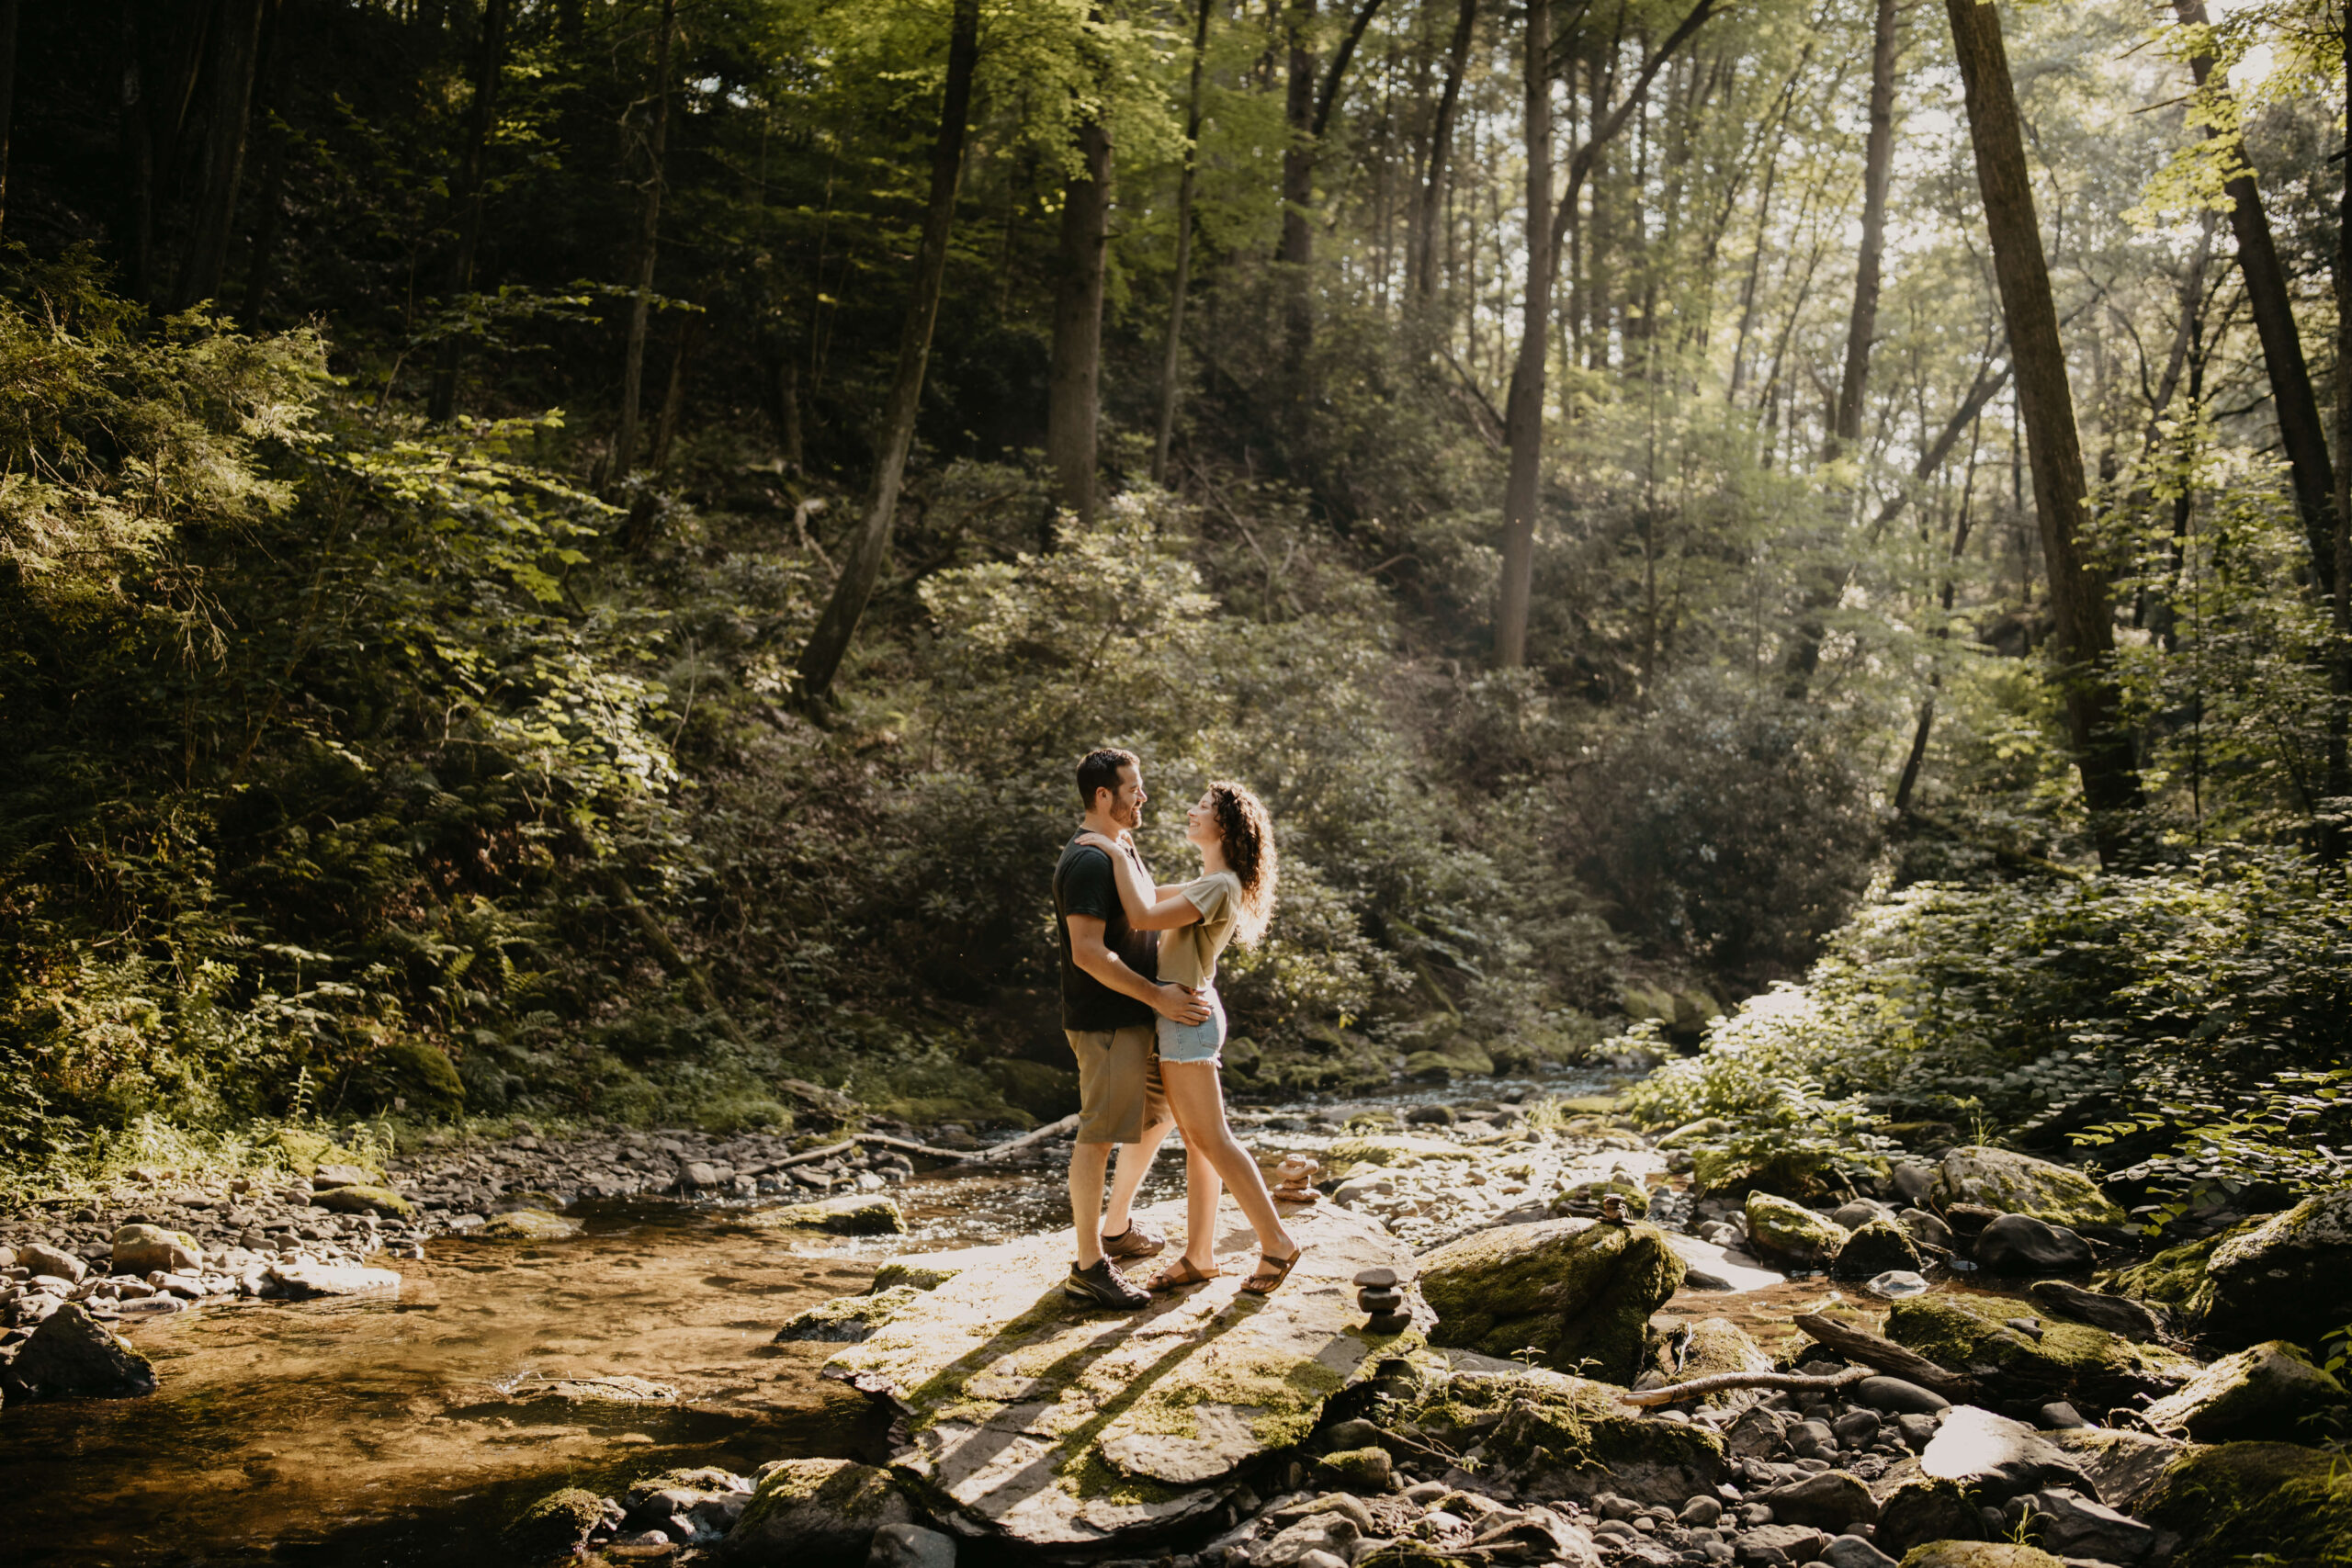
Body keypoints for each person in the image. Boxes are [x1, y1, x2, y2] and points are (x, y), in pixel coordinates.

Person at [1077, 779, 1303, 1296]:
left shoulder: (1218, 886)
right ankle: (1200, 1256)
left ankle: (1278, 1242)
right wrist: (1124, 853)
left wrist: (1110, 849)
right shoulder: (1210, 881)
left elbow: (1141, 916)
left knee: (1212, 1140)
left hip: (1186, 1021)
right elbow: (1149, 896)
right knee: (1200, 1145)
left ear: (1224, 824)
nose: (1189, 811)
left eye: (1201, 807)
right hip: (1186, 1016)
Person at [1054, 748, 1214, 1309]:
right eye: (1133, 789)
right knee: (1098, 1135)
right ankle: (1088, 1267)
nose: (1142, 797)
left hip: (1137, 1017)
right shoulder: (1089, 861)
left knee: (1161, 1114)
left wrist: (1216, 887)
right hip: (1108, 1022)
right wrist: (1158, 998)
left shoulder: (1119, 846)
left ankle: (1116, 1227)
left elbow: (1144, 907)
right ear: (1104, 796)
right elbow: (1089, 954)